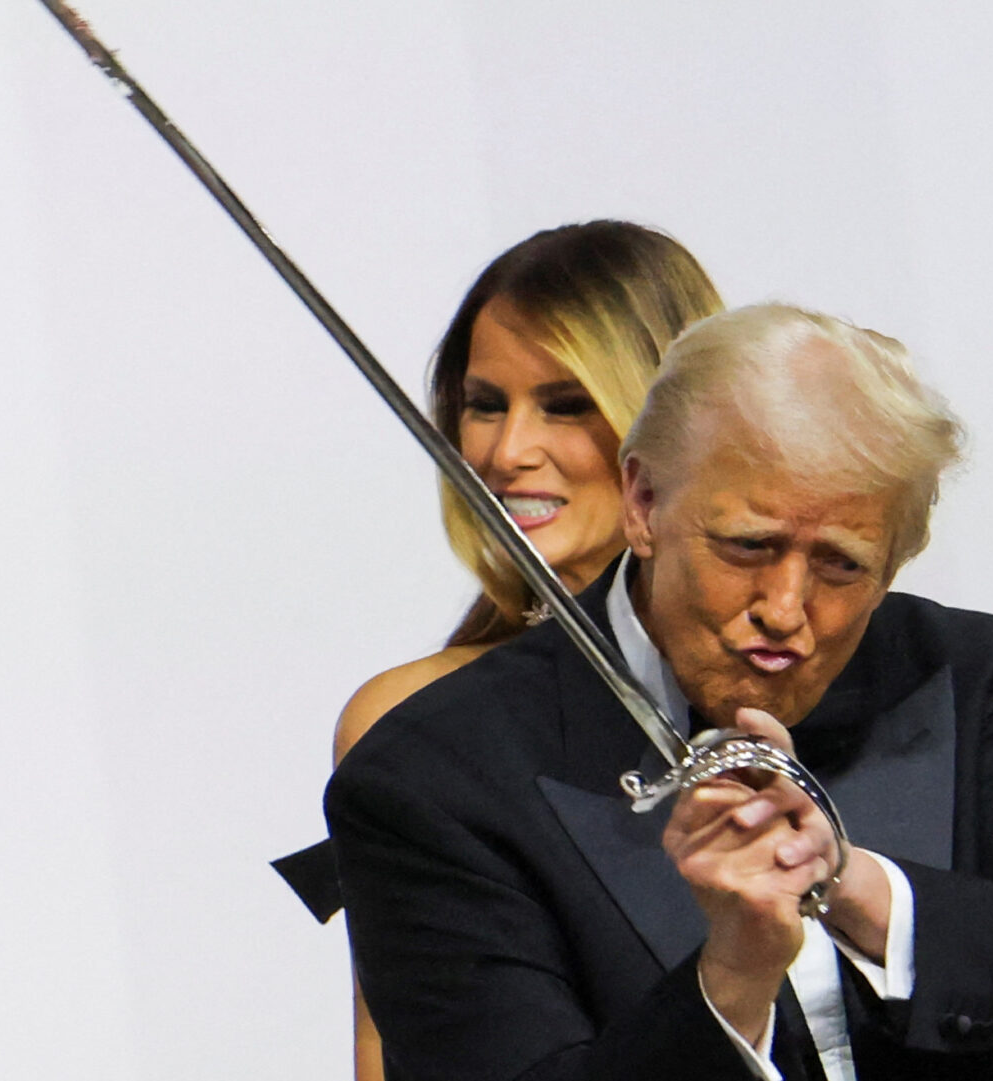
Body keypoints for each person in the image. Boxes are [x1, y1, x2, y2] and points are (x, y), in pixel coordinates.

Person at [327, 304, 993, 1081]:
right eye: (748, 546)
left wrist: (851, 883)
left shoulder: (952, 669)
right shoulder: (434, 777)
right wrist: (730, 981)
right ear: (644, 502)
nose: (785, 611)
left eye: (841, 564)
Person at [270, 220, 724, 1079]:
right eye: (485, 405)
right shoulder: (411, 724)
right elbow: (390, 1054)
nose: (508, 451)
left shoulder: (794, 676)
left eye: (566, 404)